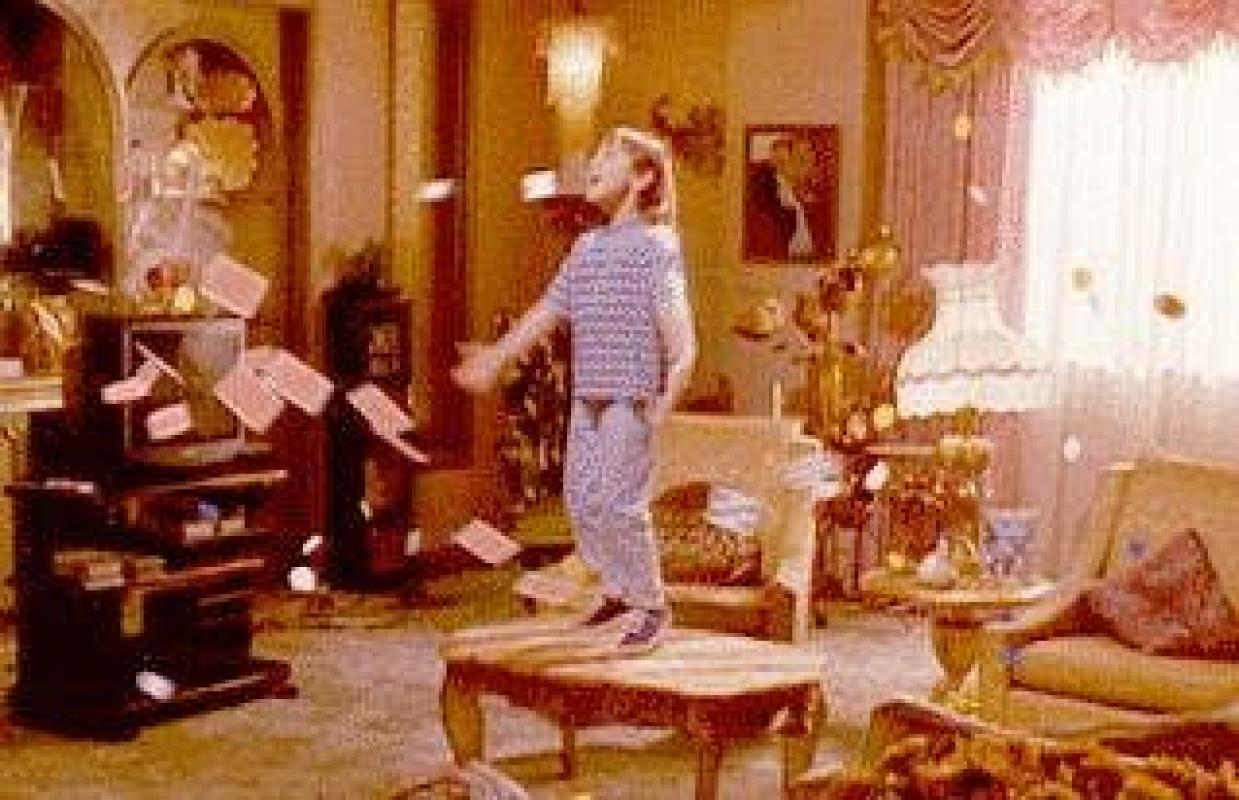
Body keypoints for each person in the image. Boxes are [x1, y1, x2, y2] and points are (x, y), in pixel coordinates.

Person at [453, 127, 696, 654]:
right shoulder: (586, 249)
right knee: (583, 501)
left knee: (620, 505)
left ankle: (651, 605)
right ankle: (617, 593)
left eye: (610, 156)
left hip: (629, 398)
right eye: (596, 155)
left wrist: (667, 397)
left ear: (643, 177)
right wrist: (496, 358)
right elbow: (546, 311)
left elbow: (680, 337)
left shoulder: (656, 246)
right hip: (587, 400)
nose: (595, 164)